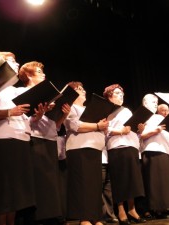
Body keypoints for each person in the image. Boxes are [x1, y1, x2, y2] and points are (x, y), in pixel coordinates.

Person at [18, 61, 71, 225]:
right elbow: (24, 121)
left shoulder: (49, 95)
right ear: (28, 75)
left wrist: (63, 115)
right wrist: (40, 113)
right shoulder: (21, 92)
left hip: (49, 138)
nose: (44, 74)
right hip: (34, 138)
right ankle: (37, 217)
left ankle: (51, 215)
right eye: (39, 72)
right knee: (38, 180)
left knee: (50, 181)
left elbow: (54, 125)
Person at [0, 51, 36, 225]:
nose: (16, 64)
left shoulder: (17, 90)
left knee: (16, 191)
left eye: (16, 61)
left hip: (21, 139)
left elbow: (27, 117)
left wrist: (36, 116)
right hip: (2, 139)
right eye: (11, 61)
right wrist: (10, 111)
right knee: (4, 190)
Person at [64, 82, 108, 225]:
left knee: (94, 185)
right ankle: (84, 218)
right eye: (78, 89)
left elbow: (101, 129)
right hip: (79, 148)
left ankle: (96, 217)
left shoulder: (89, 109)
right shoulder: (71, 108)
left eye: (83, 88)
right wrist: (97, 126)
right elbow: (74, 125)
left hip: (95, 148)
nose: (83, 90)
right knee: (83, 184)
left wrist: (102, 127)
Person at [103, 84, 146, 225]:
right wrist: (121, 131)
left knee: (132, 178)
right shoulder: (106, 111)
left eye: (122, 93)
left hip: (131, 145)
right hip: (116, 146)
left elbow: (131, 127)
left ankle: (132, 209)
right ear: (109, 96)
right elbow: (104, 129)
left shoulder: (126, 110)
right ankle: (121, 211)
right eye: (117, 93)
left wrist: (139, 128)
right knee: (120, 179)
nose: (121, 95)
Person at [139, 94, 169, 219]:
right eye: (152, 102)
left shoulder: (159, 117)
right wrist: (155, 131)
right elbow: (141, 135)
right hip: (152, 149)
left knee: (166, 181)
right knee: (155, 182)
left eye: (156, 101)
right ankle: (156, 208)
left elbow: (166, 136)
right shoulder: (142, 116)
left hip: (165, 150)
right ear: (145, 103)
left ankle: (166, 207)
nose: (155, 103)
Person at [101, 148, 118, 224]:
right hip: (99, 158)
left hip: (110, 157)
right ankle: (101, 215)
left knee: (108, 189)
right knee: (99, 188)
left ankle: (109, 215)